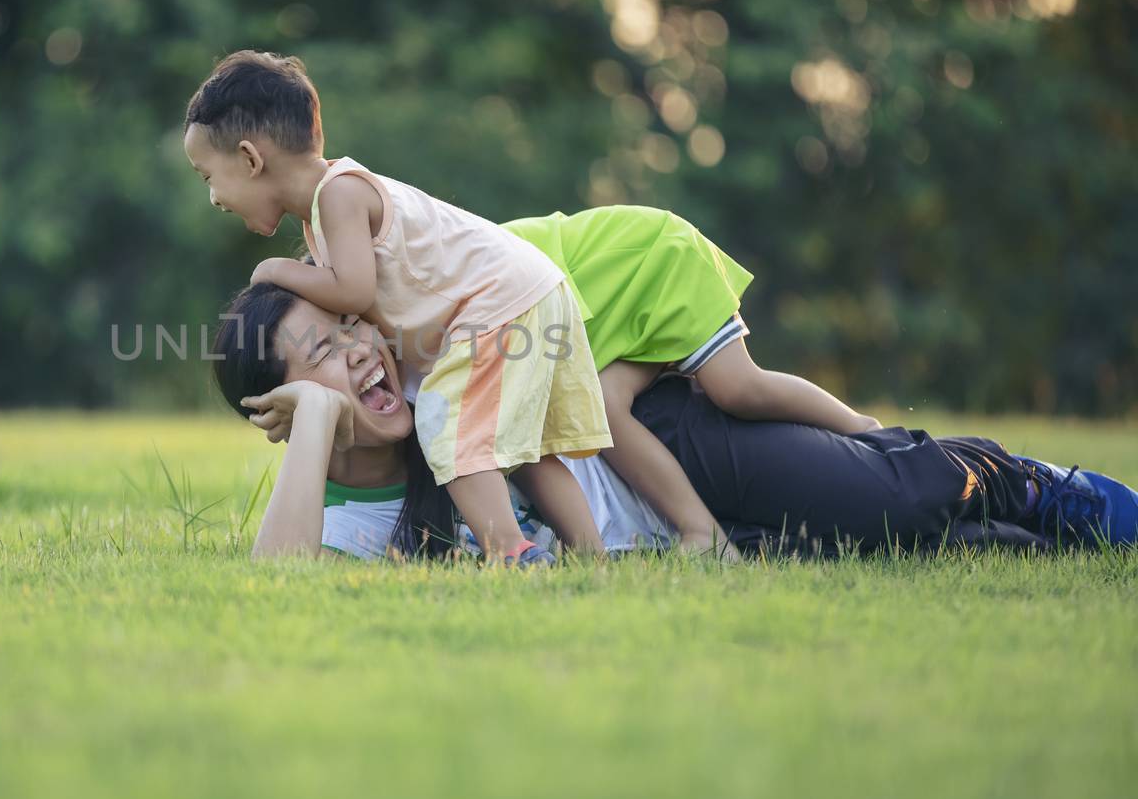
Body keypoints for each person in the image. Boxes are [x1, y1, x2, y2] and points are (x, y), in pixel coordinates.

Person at [211, 281, 1138, 562]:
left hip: (679, 446)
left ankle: (1039, 480)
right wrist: (322, 421)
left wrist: (339, 378)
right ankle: (1037, 525)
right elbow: (281, 588)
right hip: (684, 553)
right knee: (956, 550)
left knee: (898, 497)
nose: (360, 350)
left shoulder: (432, 362)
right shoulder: (341, 523)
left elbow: (562, 318)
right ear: (283, 406)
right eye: (322, 353)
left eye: (348, 326)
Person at [183, 50, 611, 567]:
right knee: (528, 450)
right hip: (524, 292)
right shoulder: (323, 216)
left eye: (208, 177)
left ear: (251, 160)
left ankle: (507, 551)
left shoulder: (337, 194)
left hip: (500, 302)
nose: (213, 197)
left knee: (443, 420)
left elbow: (355, 296)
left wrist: (274, 270)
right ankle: (593, 558)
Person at [501, 205, 883, 559]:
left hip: (653, 264)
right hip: (612, 318)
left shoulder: (476, 266)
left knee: (737, 387)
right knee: (604, 403)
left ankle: (859, 426)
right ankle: (704, 533)